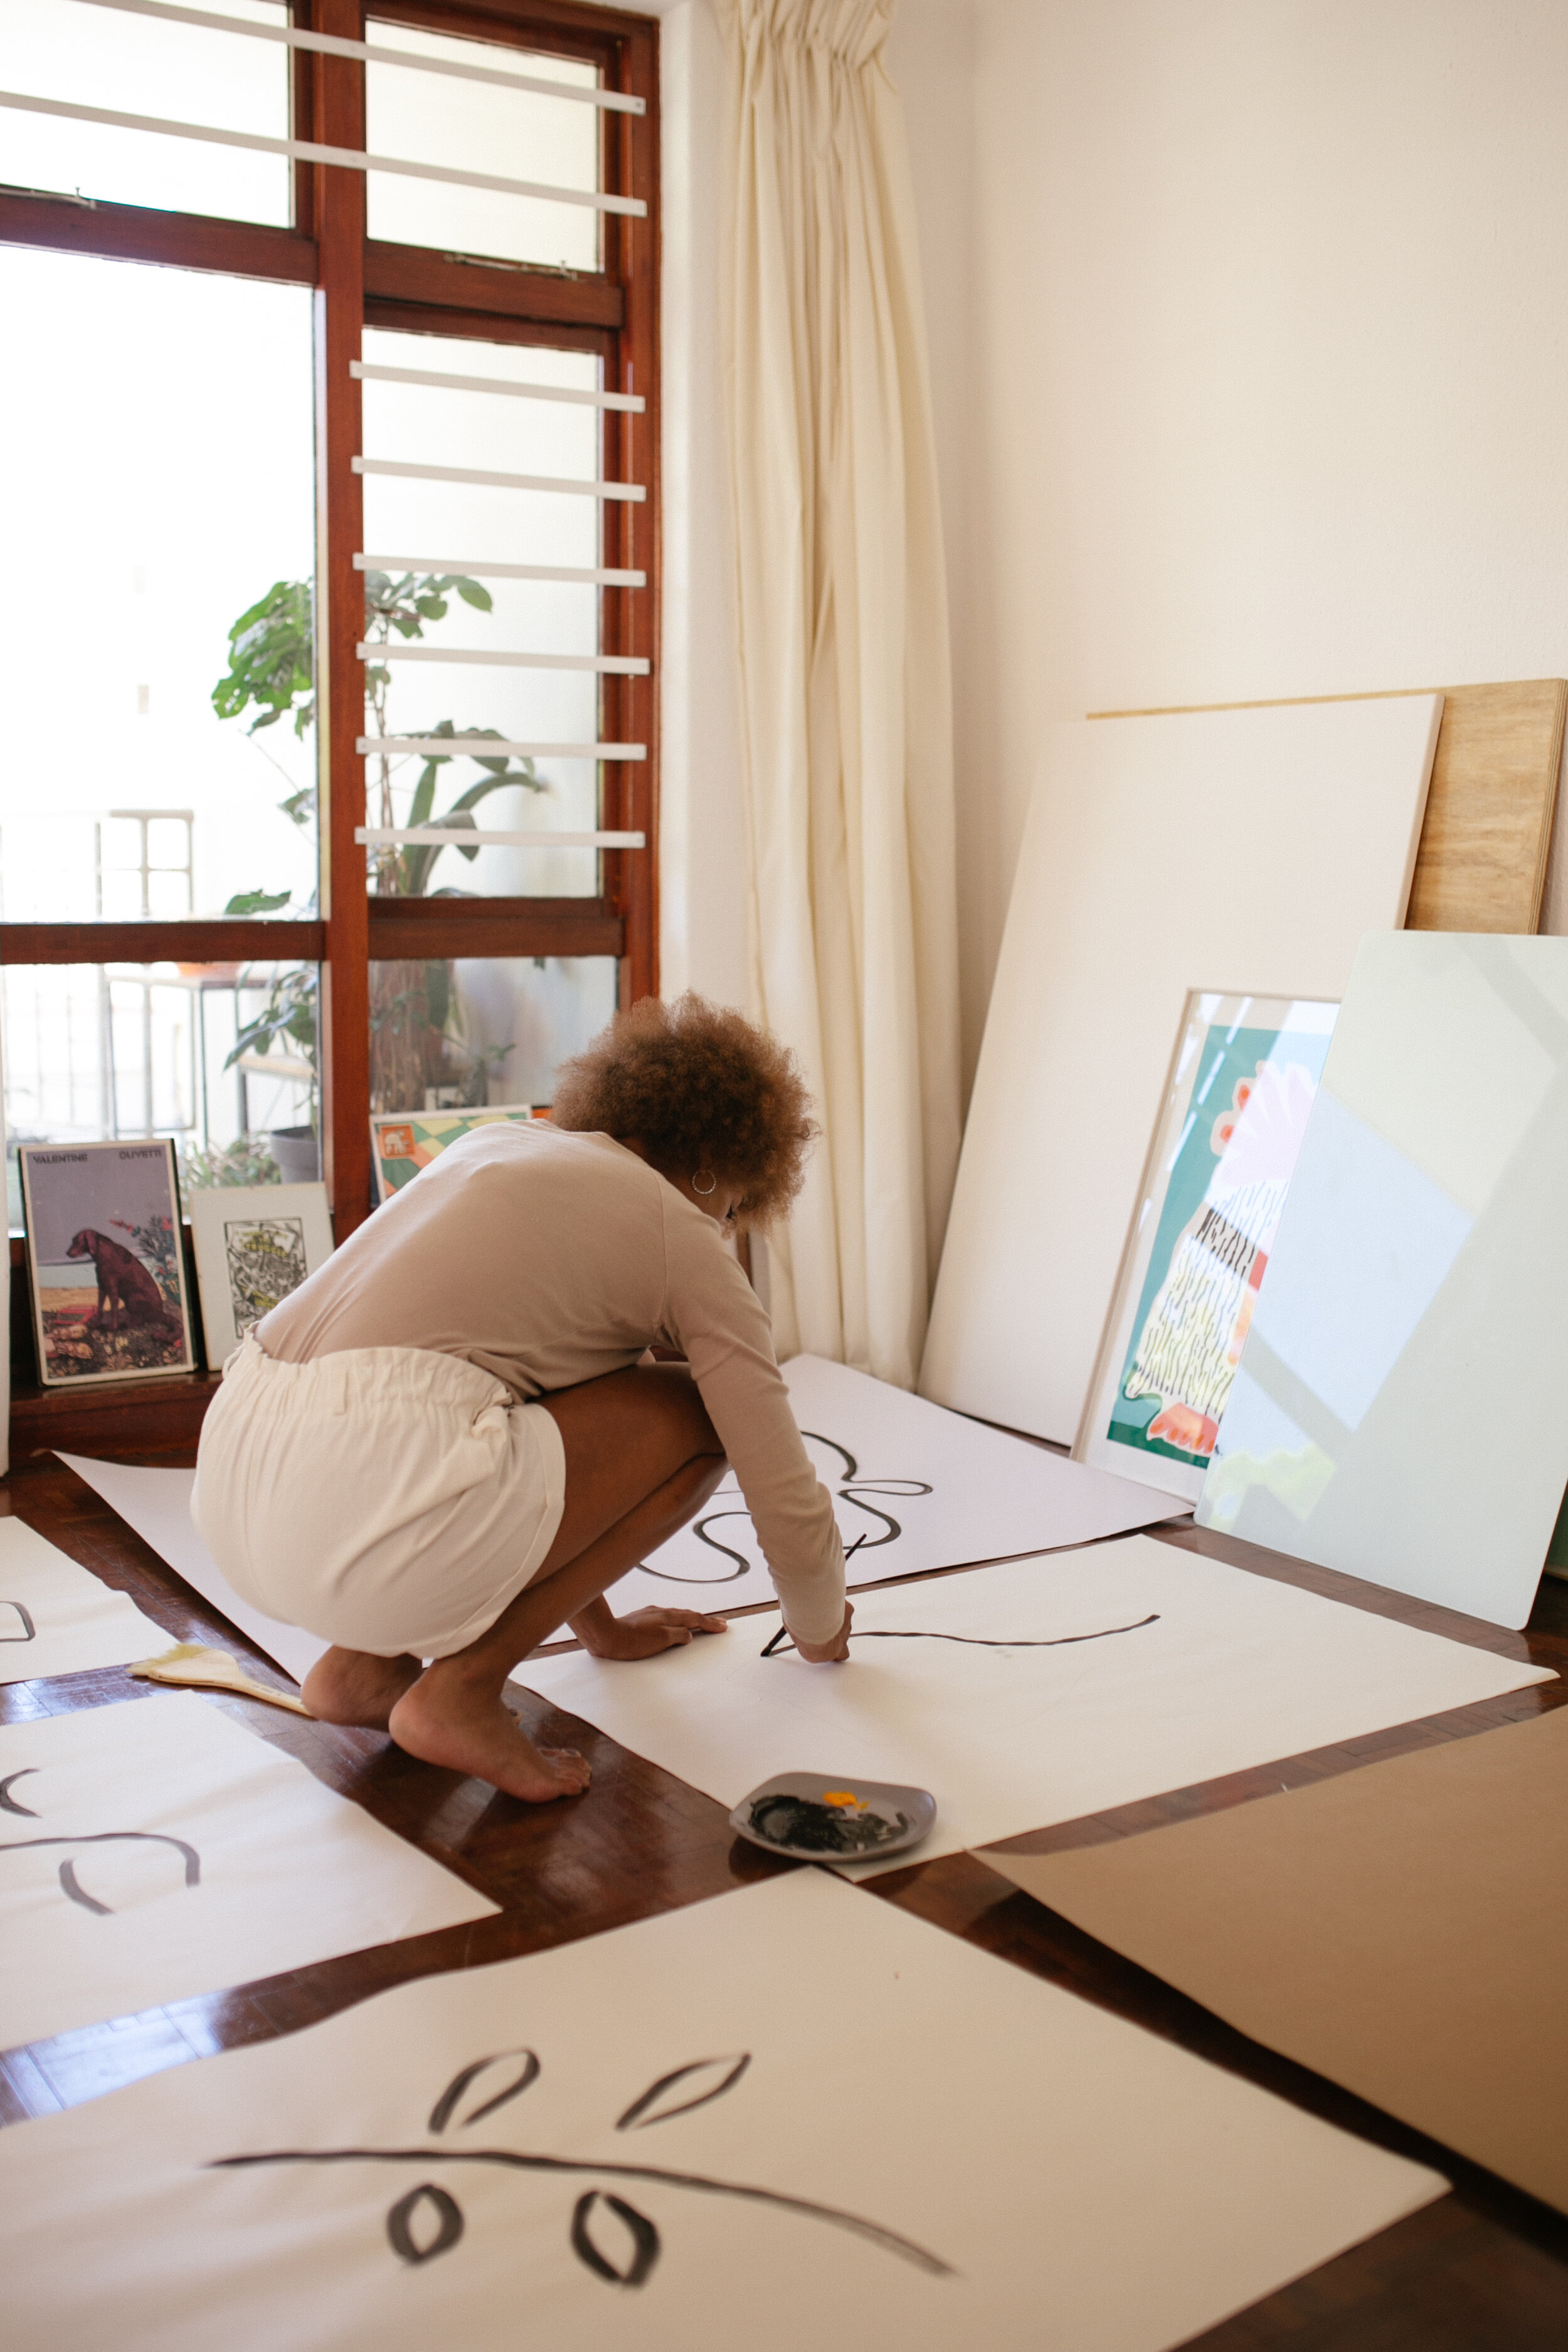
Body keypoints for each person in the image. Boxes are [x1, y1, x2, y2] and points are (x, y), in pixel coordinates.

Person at [191, 993, 852, 1804]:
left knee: (526, 1416)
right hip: (372, 1482)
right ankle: (461, 1689)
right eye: (738, 1206)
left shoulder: (497, 1146)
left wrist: (600, 1629)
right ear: (717, 1166)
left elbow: (553, 1436)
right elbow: (772, 1465)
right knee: (702, 1414)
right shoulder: (677, 1229)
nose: (728, 1226)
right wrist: (821, 1627)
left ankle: (361, 1665)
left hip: (235, 1474)